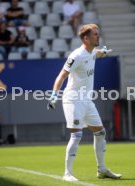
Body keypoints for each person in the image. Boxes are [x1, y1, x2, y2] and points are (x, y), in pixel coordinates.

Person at [48, 24, 121, 182]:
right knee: (76, 135)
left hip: (86, 100)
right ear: (86, 38)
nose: (98, 36)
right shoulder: (77, 56)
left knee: (101, 133)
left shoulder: (92, 52)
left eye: (98, 33)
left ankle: (101, 170)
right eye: (95, 34)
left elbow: (98, 54)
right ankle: (67, 173)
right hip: (73, 99)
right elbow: (61, 76)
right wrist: (54, 95)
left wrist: (105, 52)